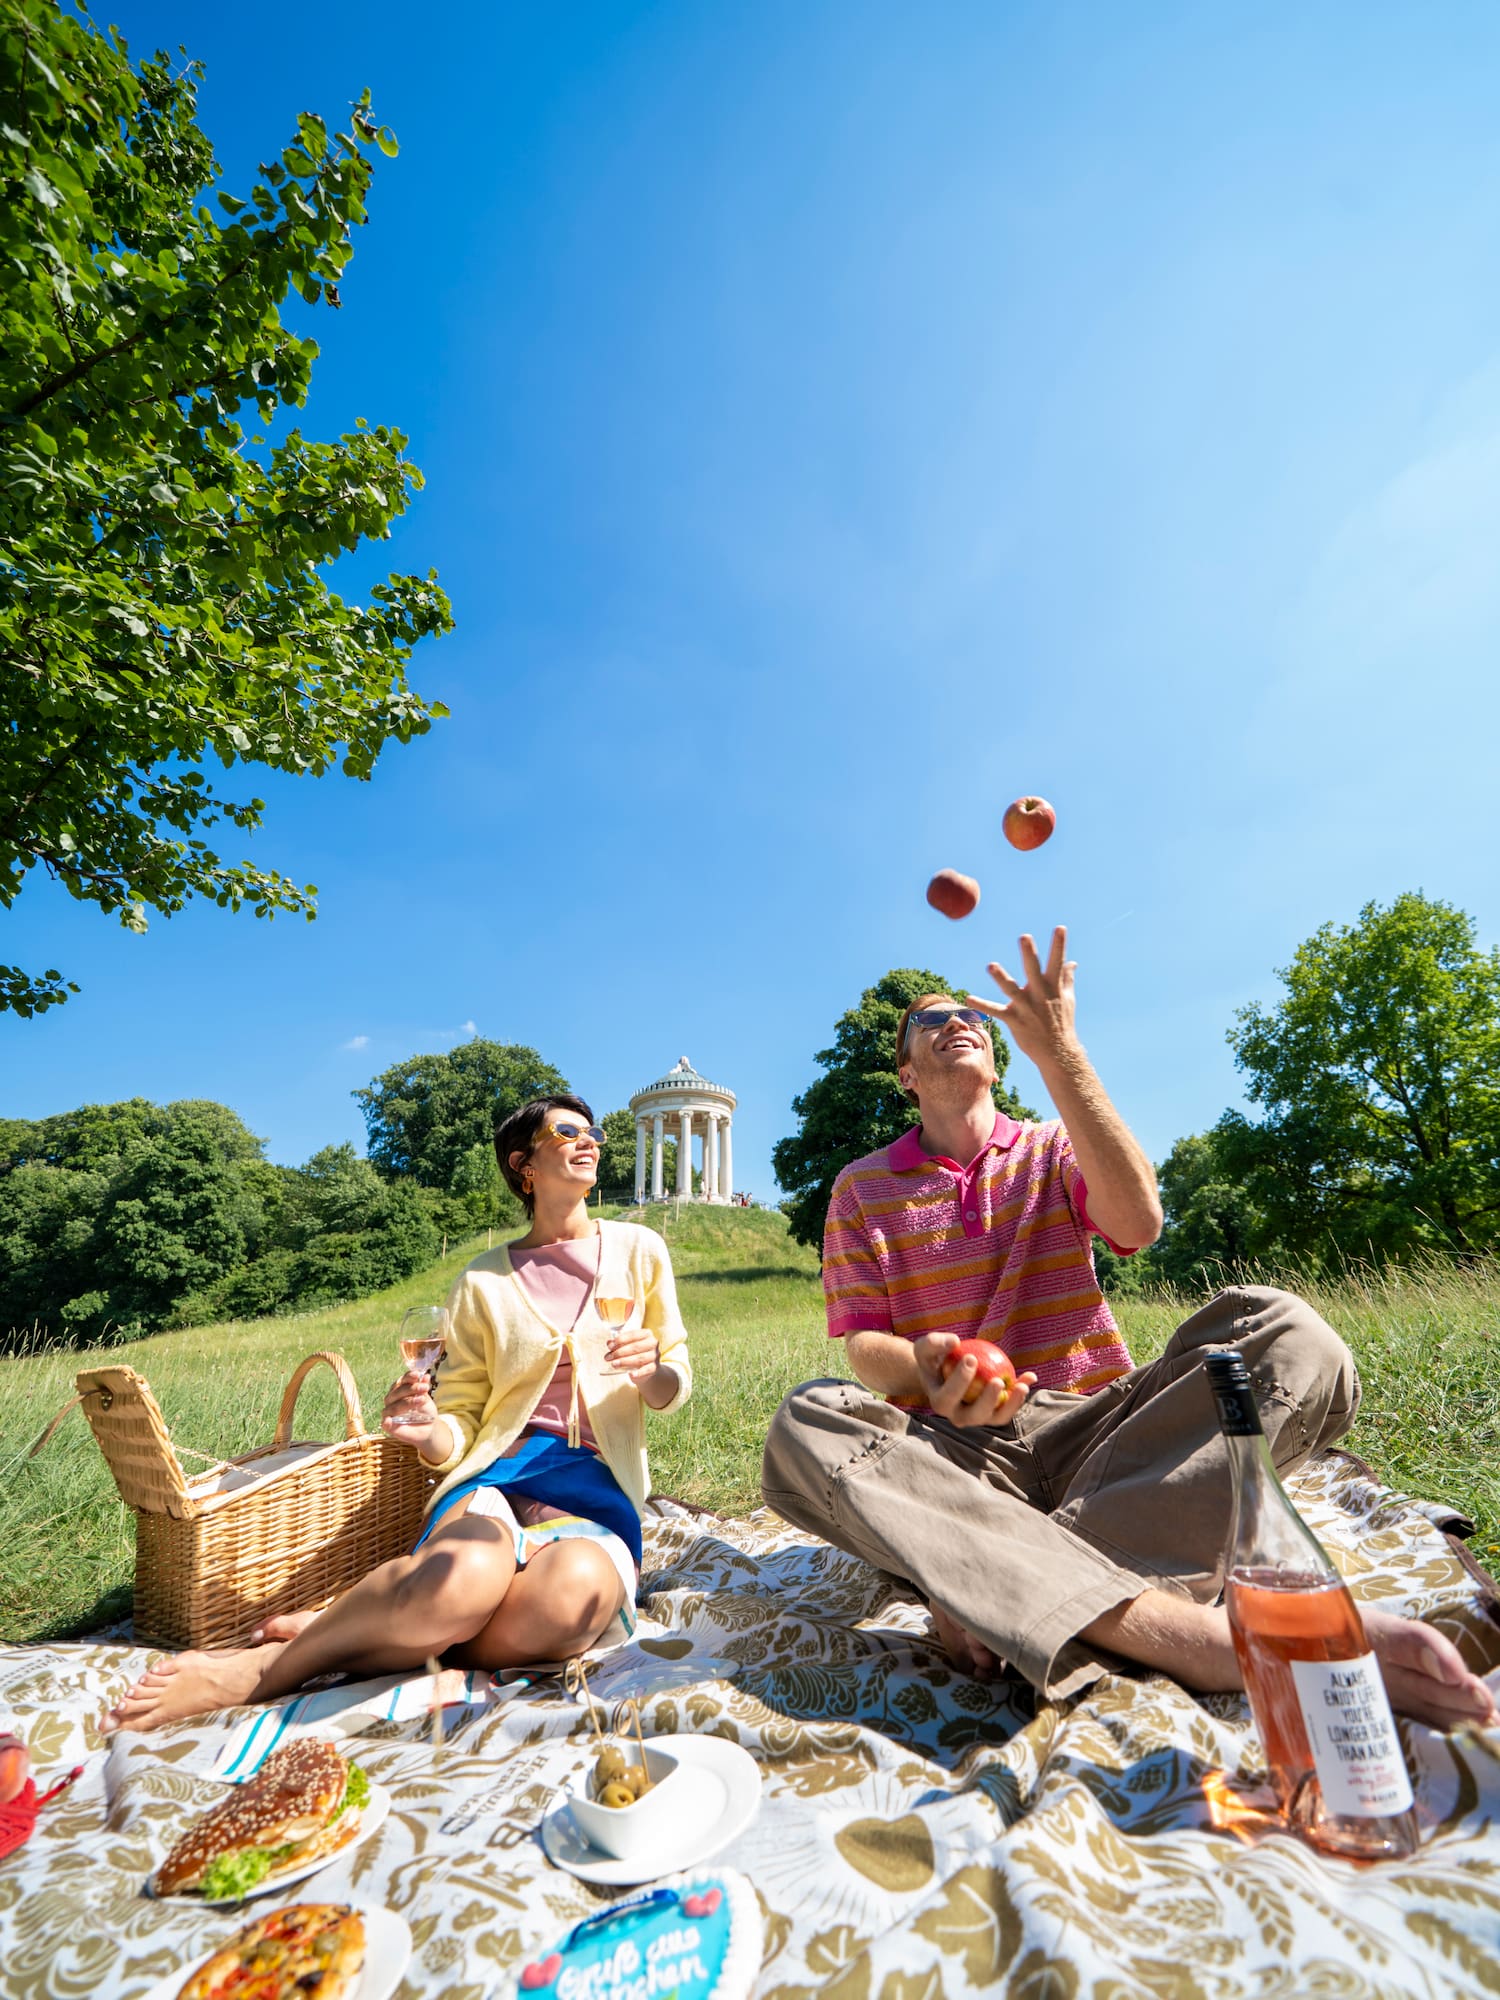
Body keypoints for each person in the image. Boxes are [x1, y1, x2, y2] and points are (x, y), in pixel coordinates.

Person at [761, 929, 1497, 1729]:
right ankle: (1197, 1638)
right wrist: (921, 1365)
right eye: (930, 1017)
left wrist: (1062, 1053)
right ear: (906, 1073)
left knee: (1288, 1329)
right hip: (958, 1460)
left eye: (971, 1014)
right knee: (809, 1419)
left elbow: (1138, 1223)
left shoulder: (1050, 1146)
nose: (957, 1020)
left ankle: (993, 1579)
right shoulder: (862, 1186)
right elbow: (866, 1347)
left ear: (1001, 1060)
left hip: (1107, 1434)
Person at [104, 1095, 692, 1734]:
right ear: (525, 1165)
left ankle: (350, 1630)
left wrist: (650, 1369)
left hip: (597, 1489)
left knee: (569, 1598)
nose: (590, 1142)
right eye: (567, 1132)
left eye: (592, 1132)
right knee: (460, 1577)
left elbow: (671, 1384)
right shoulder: (482, 1280)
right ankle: (266, 1671)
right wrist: (427, 1431)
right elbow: (464, 1419)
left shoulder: (640, 1249)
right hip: (498, 1476)